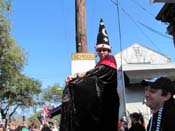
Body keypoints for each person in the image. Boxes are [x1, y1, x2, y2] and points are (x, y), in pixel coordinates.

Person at [44, 18, 120, 131]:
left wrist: (76, 76)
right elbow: (94, 75)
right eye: (99, 50)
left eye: (104, 50)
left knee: (76, 88)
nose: (102, 52)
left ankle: (54, 111)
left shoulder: (109, 61)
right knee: (76, 96)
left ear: (109, 50)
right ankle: (54, 111)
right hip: (100, 99)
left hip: (107, 101)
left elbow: (94, 73)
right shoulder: (100, 64)